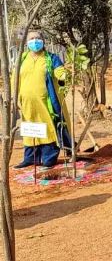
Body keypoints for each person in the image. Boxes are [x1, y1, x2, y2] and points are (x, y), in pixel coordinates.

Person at [14, 31, 72, 168]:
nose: (35, 41)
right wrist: (14, 97)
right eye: (32, 38)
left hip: (46, 103)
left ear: (43, 41)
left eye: (38, 38)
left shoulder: (51, 58)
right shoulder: (22, 59)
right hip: (26, 102)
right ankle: (30, 158)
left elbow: (59, 71)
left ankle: (48, 157)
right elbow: (15, 79)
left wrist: (64, 75)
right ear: (26, 42)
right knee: (29, 128)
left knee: (47, 128)